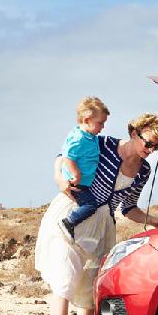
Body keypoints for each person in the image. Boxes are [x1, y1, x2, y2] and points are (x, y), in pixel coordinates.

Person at [35, 113, 158, 315]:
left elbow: (128, 208)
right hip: (73, 213)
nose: (150, 150)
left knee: (88, 291)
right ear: (135, 132)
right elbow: (63, 155)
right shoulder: (103, 144)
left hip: (101, 227)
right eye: (149, 143)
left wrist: (153, 219)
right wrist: (60, 179)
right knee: (64, 281)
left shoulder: (143, 170)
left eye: (156, 148)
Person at [59, 97, 110, 242]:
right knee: (90, 205)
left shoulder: (88, 136)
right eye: (100, 123)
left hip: (84, 183)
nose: (103, 127)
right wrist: (75, 173)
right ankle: (68, 222)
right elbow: (68, 156)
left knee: (90, 205)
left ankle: (71, 225)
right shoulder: (79, 138)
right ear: (87, 120)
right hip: (77, 183)